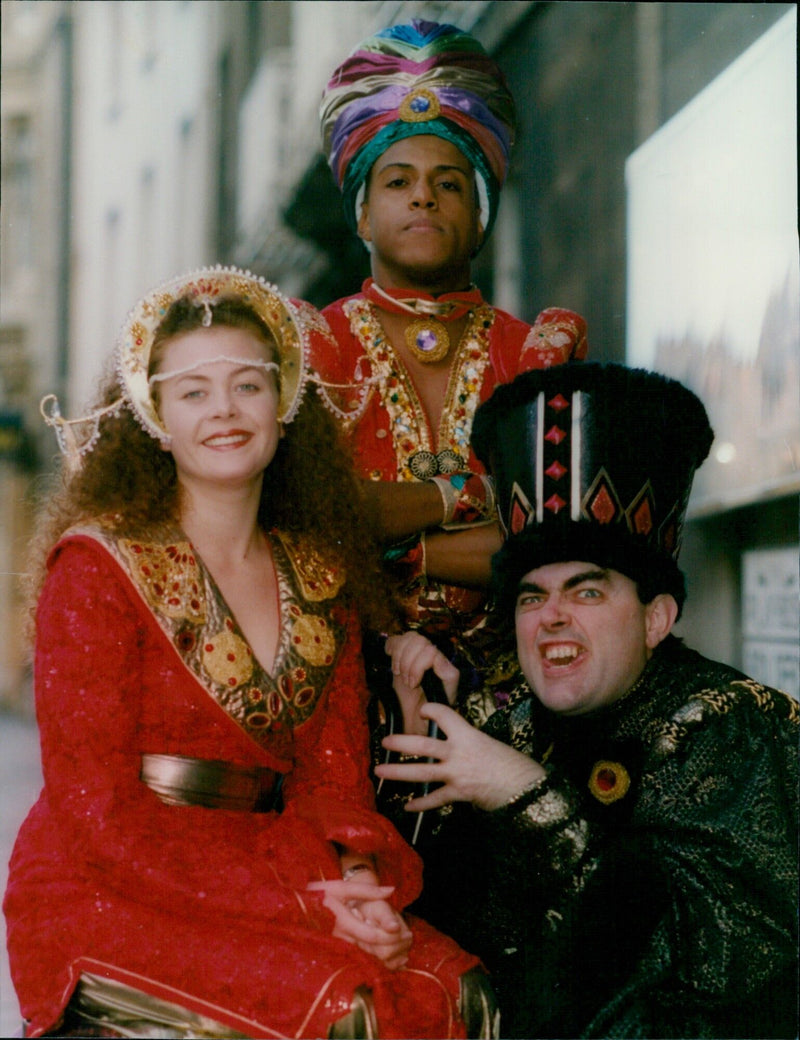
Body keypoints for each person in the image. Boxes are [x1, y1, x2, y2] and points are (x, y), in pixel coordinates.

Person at [3, 266, 494, 1040]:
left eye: (247, 386)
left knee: (458, 990)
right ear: (154, 414)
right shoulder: (97, 569)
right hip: (113, 882)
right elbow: (96, 816)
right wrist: (307, 901)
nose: (224, 411)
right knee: (347, 1007)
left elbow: (334, 782)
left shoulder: (322, 573)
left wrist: (359, 890)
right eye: (193, 391)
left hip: (284, 864)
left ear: (286, 399)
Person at [374, 361, 799, 1039]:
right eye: (532, 595)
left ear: (656, 619)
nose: (553, 617)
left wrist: (526, 795)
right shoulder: (499, 720)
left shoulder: (740, 726)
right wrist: (409, 714)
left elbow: (710, 967)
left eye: (588, 591)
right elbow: (436, 918)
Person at [315, 19, 588, 687]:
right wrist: (476, 494)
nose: (423, 196)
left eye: (449, 182)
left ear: (481, 213)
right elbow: (318, 520)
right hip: (343, 683)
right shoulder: (313, 345)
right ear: (361, 213)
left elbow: (554, 539)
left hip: (518, 690)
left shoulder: (537, 350)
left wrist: (393, 542)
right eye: (397, 180)